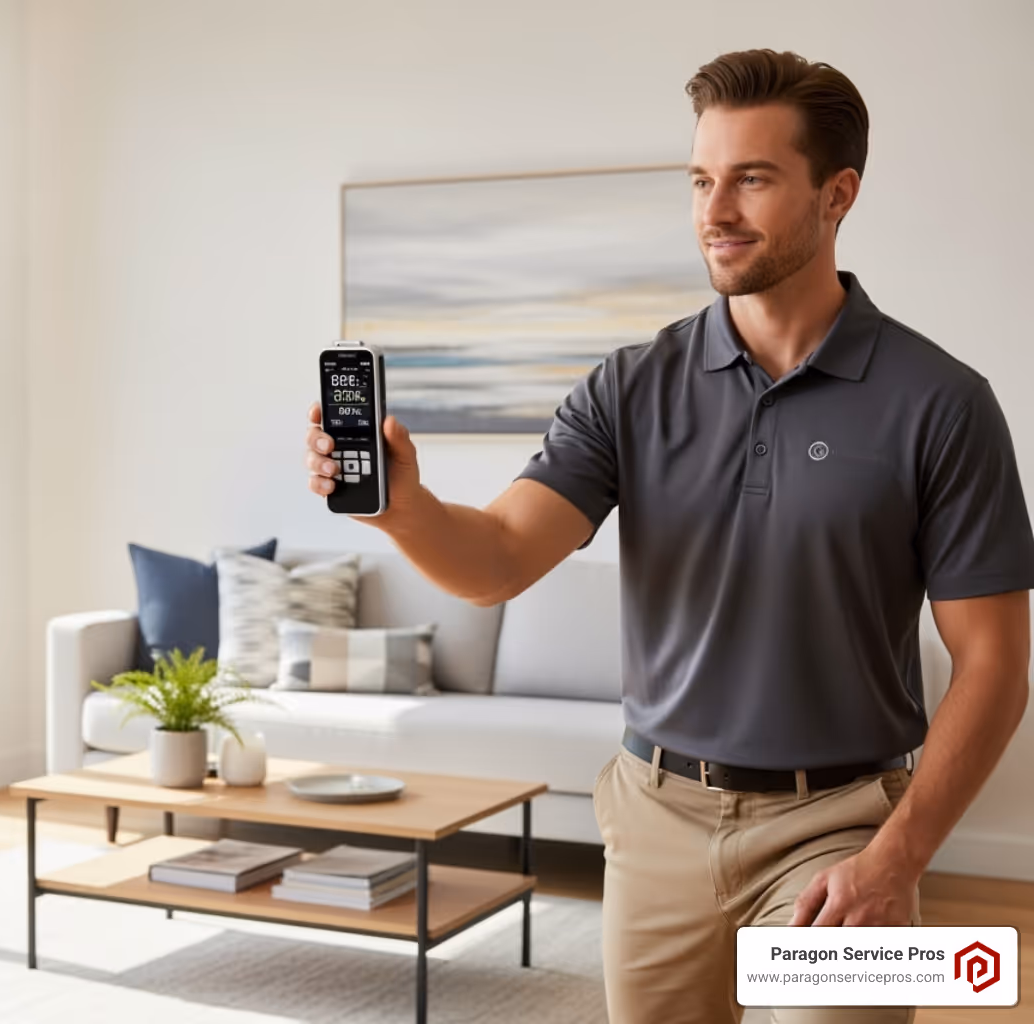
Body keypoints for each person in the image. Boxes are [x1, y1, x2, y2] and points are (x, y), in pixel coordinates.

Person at [303, 48, 1033, 1024]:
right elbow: (497, 561)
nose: (714, 210)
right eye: (700, 180)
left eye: (752, 179)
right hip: (657, 824)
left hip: (842, 828)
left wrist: (897, 856)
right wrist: (400, 506)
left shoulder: (942, 403)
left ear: (838, 193)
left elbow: (995, 662)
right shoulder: (630, 386)